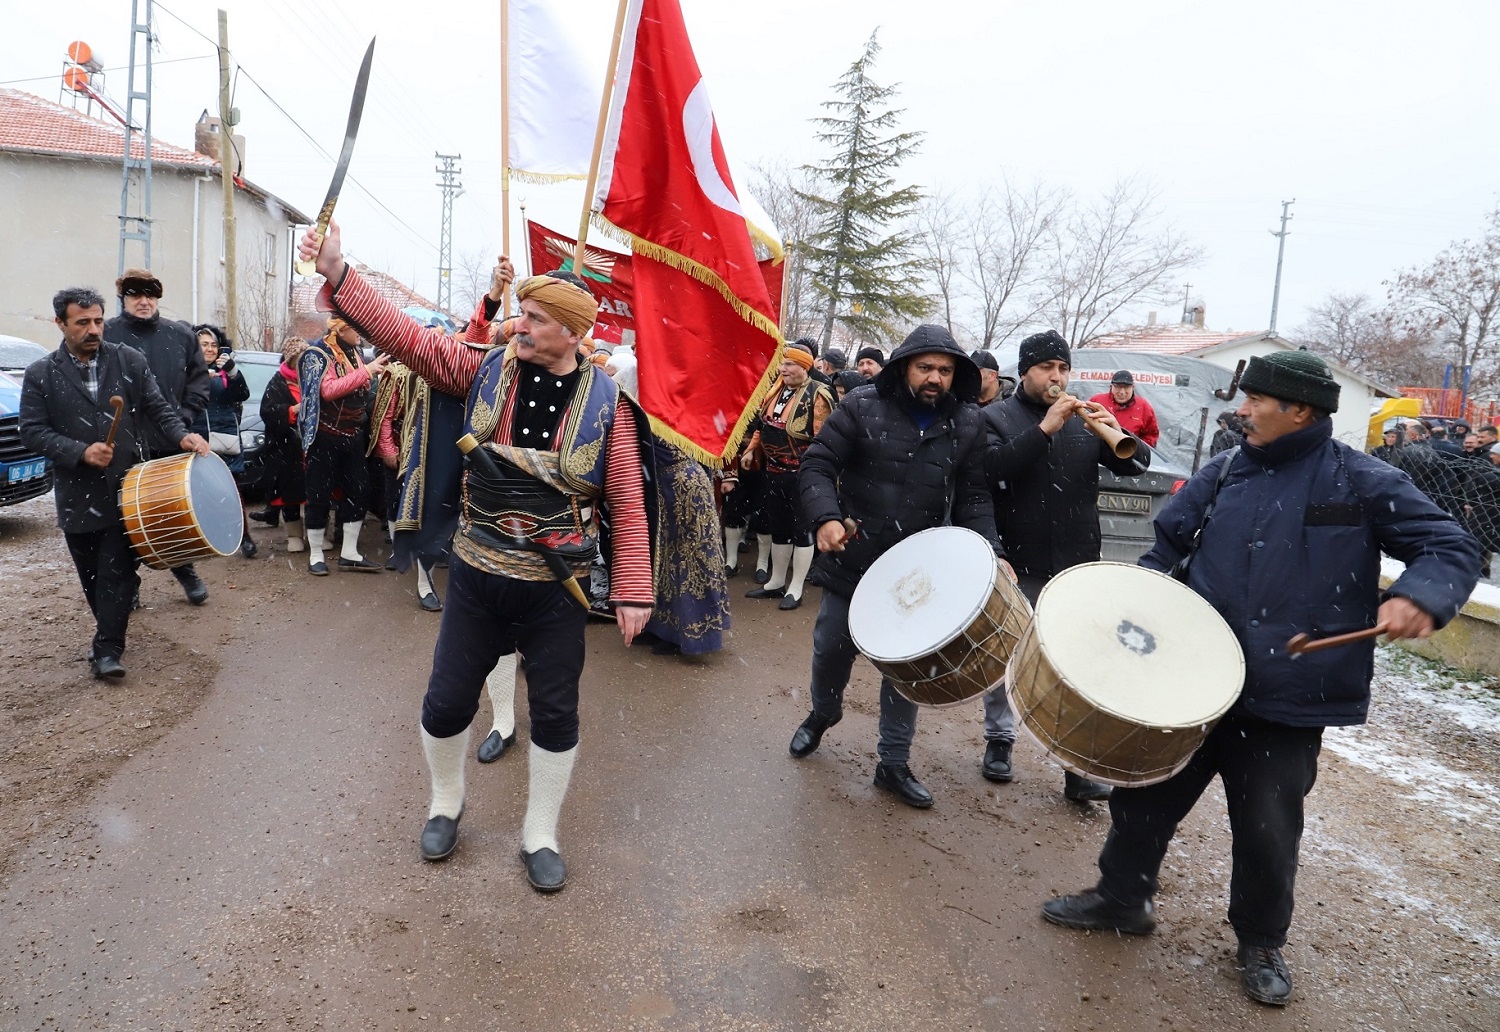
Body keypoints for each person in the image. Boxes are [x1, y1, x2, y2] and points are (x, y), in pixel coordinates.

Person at [1039, 350, 1479, 1007]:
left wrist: (1421, 595)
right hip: (1190, 682)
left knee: (1269, 827)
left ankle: (1260, 941)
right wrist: (1137, 613)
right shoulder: (1223, 472)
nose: (1240, 411)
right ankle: (1121, 898)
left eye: (1255, 401)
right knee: (1143, 797)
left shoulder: (1359, 478)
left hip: (1287, 694)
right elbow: (1166, 548)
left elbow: (1450, 545)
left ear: (1299, 410)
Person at [301, 222, 653, 893]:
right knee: (444, 703)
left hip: (559, 589)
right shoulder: (483, 368)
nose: (521, 324)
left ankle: (539, 834)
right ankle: (446, 802)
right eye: (522, 312)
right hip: (478, 573)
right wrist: (340, 270)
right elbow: (408, 337)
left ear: (574, 335)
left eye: (538, 318)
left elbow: (628, 502)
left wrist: (634, 588)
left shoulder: (613, 405)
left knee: (556, 712)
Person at [791, 325, 1003, 808]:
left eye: (945, 371)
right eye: (925, 367)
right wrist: (825, 517)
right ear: (904, 366)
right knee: (830, 648)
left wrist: (993, 550)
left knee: (906, 668)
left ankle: (892, 762)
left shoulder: (968, 423)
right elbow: (817, 464)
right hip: (856, 556)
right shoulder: (861, 406)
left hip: (917, 571)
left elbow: (973, 495)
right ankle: (823, 712)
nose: (934, 378)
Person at [977, 330, 1148, 802]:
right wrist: (1044, 429)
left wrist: (1114, 427)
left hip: (1076, 561)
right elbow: (990, 473)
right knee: (1009, 656)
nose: (1057, 377)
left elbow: (1137, 465)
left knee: (1074, 665)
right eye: (1047, 368)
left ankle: (1075, 766)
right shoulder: (995, 417)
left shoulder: (1086, 418)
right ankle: (1000, 740)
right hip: (1019, 559)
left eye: (1063, 369)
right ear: (1026, 371)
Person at [19, 287, 210, 679]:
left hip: (127, 489)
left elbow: (159, 408)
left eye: (99, 321)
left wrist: (182, 436)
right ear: (61, 324)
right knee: (92, 577)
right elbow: (32, 432)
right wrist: (79, 451)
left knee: (117, 572)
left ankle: (108, 650)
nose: (94, 329)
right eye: (83, 322)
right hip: (76, 495)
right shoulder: (41, 374)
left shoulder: (128, 360)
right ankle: (107, 632)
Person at [104, 268, 212, 605]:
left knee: (171, 511)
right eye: (136, 294)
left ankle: (185, 570)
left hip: (169, 439)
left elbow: (199, 380)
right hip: (122, 441)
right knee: (125, 517)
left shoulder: (180, 335)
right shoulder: (107, 334)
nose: (144, 301)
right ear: (124, 298)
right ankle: (129, 584)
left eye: (150, 294)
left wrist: (185, 416)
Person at [741, 343, 834, 610]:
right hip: (773, 471)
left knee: (801, 530)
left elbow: (824, 439)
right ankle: (776, 581)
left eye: (790, 365)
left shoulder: (819, 395)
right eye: (782, 364)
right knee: (778, 526)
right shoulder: (775, 390)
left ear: (804, 367)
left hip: (802, 474)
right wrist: (751, 450)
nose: (784, 369)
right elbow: (763, 426)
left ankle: (796, 587)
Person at [297, 316, 388, 575]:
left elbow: (362, 386)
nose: (361, 334)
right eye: (356, 329)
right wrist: (366, 372)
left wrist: (369, 377)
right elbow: (327, 391)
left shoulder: (355, 351)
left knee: (358, 491)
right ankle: (315, 554)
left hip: (352, 435)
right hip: (324, 437)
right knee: (318, 495)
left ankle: (350, 552)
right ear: (341, 329)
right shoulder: (316, 353)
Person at [190, 324, 256, 559]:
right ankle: (208, 538)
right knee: (200, 490)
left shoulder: (226, 370)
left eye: (213, 344)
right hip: (196, 437)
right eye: (204, 344)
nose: (209, 349)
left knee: (232, 490)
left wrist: (231, 370)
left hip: (225, 437)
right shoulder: (186, 370)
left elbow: (243, 394)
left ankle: (243, 536)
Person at [250, 336, 309, 553]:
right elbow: (267, 411)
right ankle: (294, 535)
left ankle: (316, 533)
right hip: (287, 447)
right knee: (290, 493)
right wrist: (291, 411)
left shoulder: (314, 379)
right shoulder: (277, 382)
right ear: (292, 360)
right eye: (301, 359)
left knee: (314, 492)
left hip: (311, 447)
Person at [1089, 369, 1160, 447]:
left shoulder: (1143, 406)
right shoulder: (1097, 401)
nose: (1122, 392)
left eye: (1126, 387)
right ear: (1111, 387)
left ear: (1133, 388)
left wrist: (1136, 450)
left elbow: (1151, 435)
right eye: (1118, 387)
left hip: (1128, 453)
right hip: (1097, 451)